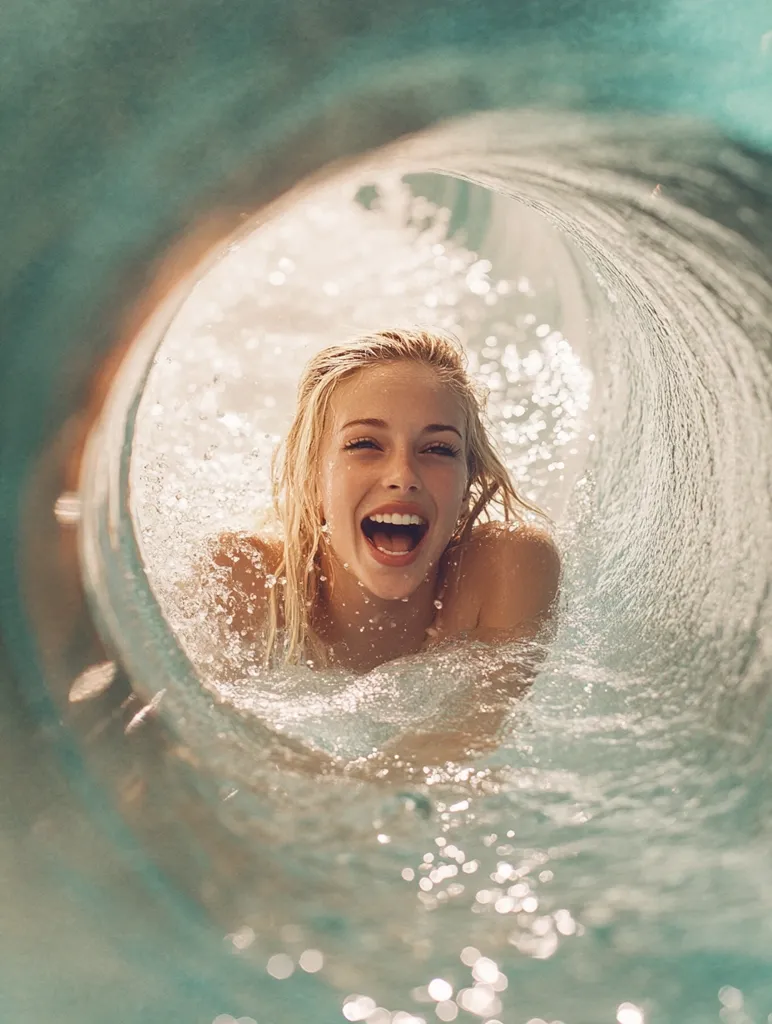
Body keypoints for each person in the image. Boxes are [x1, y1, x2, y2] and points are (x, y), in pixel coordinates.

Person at [210, 328, 560, 696]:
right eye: (365, 444)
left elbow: (472, 736)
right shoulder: (244, 578)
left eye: (438, 449)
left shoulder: (506, 567)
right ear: (312, 479)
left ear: (464, 493)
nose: (403, 477)